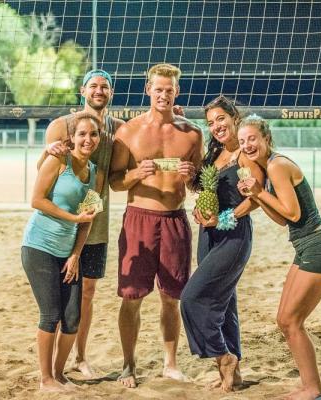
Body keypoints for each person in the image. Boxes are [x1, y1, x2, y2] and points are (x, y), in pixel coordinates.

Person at [109, 63, 203, 388]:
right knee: (132, 297)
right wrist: (136, 174)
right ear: (147, 90)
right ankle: (128, 365)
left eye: (169, 89)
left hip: (175, 220)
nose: (163, 94)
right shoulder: (128, 132)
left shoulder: (192, 133)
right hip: (138, 219)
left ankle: (171, 364)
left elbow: (199, 184)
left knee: (171, 298)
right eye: (158, 89)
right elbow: (114, 182)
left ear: (177, 91)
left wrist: (193, 179)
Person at [236, 116, 321, 400]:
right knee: (285, 320)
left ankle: (312, 388)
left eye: (252, 139)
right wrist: (257, 196)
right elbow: (282, 219)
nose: (247, 145)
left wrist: (259, 192)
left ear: (266, 138)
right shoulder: (268, 170)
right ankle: (309, 385)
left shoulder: (277, 165)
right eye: (242, 140)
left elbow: (294, 214)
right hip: (306, 246)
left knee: (291, 322)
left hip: (319, 246)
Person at [37, 69, 124, 378]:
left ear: (111, 93)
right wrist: (48, 150)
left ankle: (80, 357)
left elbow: (145, 136)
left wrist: (174, 115)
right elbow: (42, 176)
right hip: (60, 226)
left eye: (105, 87)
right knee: (58, 299)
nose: (99, 91)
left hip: (94, 225)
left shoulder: (118, 129)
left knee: (87, 293)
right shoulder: (61, 126)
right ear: (82, 90)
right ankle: (51, 364)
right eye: (94, 86)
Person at [180, 96, 264, 392]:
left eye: (221, 119)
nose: (216, 126)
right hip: (207, 235)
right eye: (211, 123)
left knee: (192, 298)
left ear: (234, 118)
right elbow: (206, 191)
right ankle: (232, 371)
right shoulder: (214, 154)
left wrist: (223, 219)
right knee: (225, 303)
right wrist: (200, 206)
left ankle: (223, 356)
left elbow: (256, 198)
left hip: (233, 235)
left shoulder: (245, 154)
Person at [21, 112, 103, 392]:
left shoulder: (93, 173)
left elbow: (87, 219)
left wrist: (76, 255)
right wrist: (73, 219)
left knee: (72, 318)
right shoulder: (58, 160)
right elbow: (36, 200)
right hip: (39, 246)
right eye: (82, 134)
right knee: (51, 314)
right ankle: (45, 380)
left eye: (93, 134)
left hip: (67, 252)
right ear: (72, 138)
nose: (87, 139)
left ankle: (58, 374)